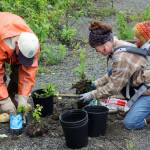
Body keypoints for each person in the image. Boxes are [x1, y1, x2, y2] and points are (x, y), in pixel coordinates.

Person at [80, 21, 150, 129]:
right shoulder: (119, 45)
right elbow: (114, 73)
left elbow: (114, 87)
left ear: (104, 45)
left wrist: (91, 94)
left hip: (147, 91)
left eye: (96, 48)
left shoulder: (121, 57)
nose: (96, 51)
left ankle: (146, 118)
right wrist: (96, 84)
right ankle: (138, 107)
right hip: (140, 83)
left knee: (130, 123)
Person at [0, 12, 40, 122]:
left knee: (19, 73)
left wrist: (23, 98)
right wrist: (3, 100)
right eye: (21, 55)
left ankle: (12, 98)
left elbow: (28, 72)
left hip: (11, 29)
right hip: (2, 33)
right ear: (17, 44)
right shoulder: (3, 41)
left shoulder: (32, 43)